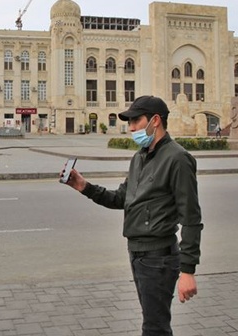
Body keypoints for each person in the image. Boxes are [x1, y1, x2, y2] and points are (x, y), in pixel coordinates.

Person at [62, 95, 203, 336]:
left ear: (155, 121)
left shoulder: (177, 159)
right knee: (154, 324)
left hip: (158, 258)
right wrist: (84, 187)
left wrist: (187, 271)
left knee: (154, 327)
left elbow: (190, 217)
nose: (131, 128)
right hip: (137, 254)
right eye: (129, 123)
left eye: (136, 121)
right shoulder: (139, 157)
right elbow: (121, 199)